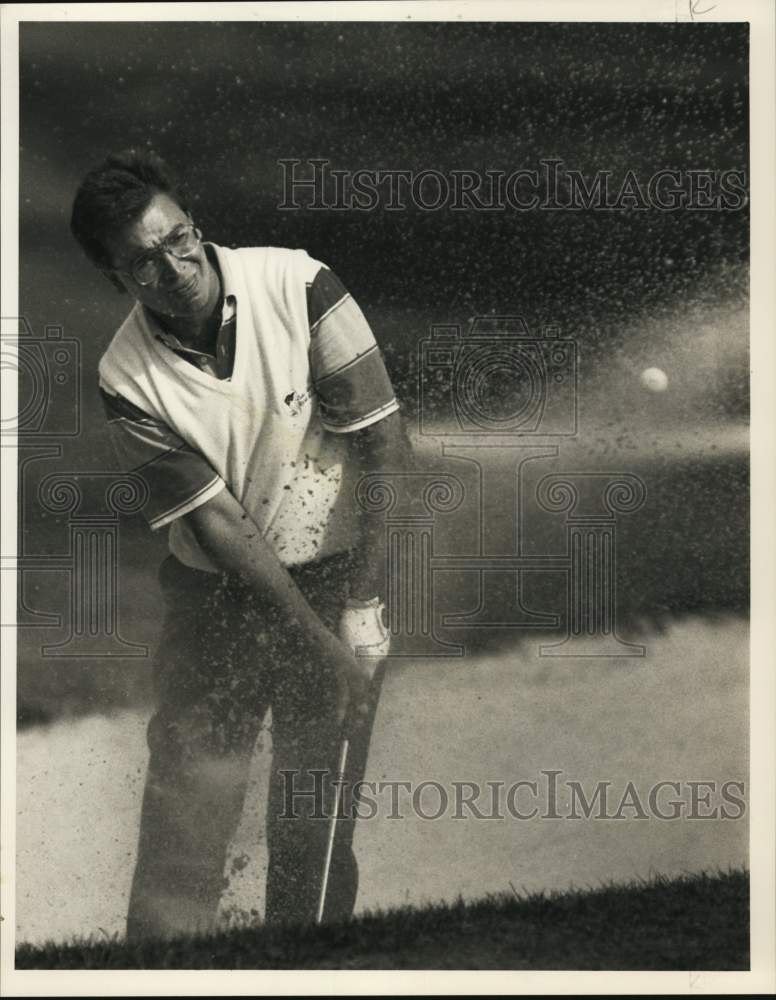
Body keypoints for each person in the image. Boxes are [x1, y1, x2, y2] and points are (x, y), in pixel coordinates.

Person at [69, 149, 407, 940]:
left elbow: (385, 443)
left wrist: (361, 607)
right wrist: (324, 651)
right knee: (187, 814)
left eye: (179, 239)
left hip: (336, 576)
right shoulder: (126, 378)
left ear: (196, 225)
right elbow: (220, 527)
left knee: (310, 823)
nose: (175, 268)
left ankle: (310, 977)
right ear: (116, 279)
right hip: (213, 602)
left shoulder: (299, 284)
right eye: (145, 264)